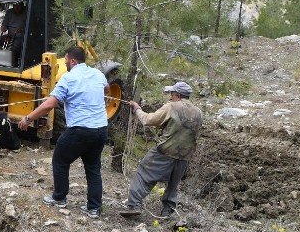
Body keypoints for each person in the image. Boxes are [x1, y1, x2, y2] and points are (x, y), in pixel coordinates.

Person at [18, 46, 108, 218]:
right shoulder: (98, 74)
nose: (65, 62)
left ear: (73, 61)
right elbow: (106, 89)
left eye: (66, 59)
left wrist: (28, 118)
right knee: (93, 168)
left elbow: (49, 105)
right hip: (101, 130)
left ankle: (59, 197)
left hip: (80, 130)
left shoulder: (68, 78)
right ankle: (94, 208)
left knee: (60, 160)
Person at [119, 81, 202, 219]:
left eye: (171, 94)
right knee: (173, 184)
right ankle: (168, 211)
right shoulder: (198, 112)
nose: (170, 97)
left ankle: (134, 205)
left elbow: (148, 120)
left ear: (177, 95)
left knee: (143, 173)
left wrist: (137, 109)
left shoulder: (171, 106)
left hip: (165, 151)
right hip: (185, 155)